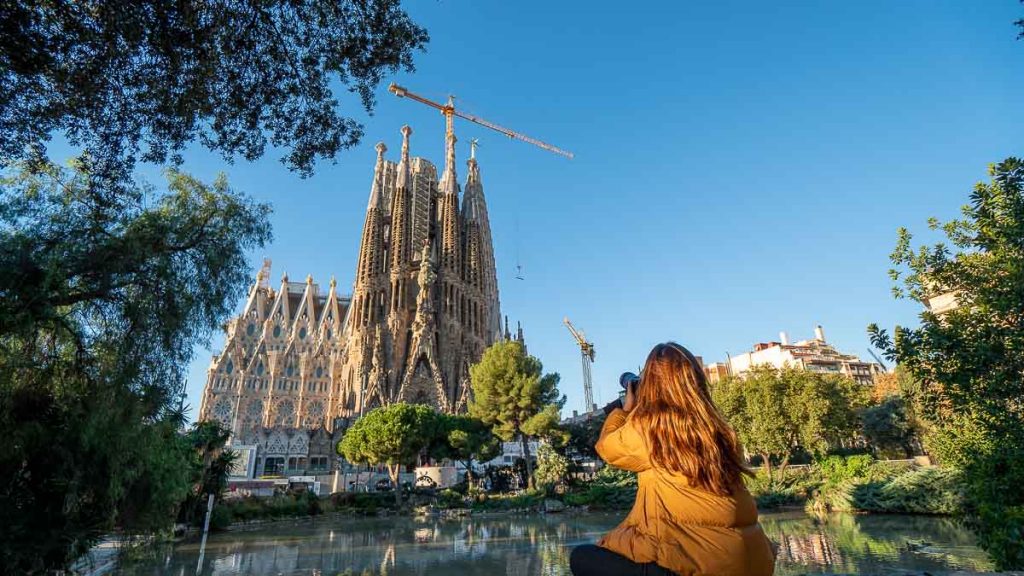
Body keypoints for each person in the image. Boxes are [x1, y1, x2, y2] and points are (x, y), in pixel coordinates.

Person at [570, 342, 776, 576]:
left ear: (651, 387)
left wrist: (626, 410)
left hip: (702, 566)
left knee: (583, 558)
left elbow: (607, 448)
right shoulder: (719, 430)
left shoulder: (651, 429)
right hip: (754, 562)